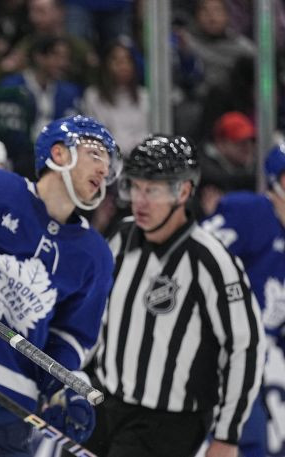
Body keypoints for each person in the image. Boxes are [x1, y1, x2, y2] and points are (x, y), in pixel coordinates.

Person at [88, 134, 265, 457]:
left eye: (152, 190)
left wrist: (227, 436)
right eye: (135, 188)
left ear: (183, 191)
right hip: (106, 405)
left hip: (168, 422)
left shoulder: (211, 259)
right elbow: (97, 313)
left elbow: (246, 346)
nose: (139, 201)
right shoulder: (122, 235)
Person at [0, 117, 118, 456]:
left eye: (109, 162)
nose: (105, 169)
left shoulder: (95, 255)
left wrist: (61, 386)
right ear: (59, 153)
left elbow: (71, 337)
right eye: (96, 154)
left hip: (10, 404)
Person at [201, 143, 285, 457]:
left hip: (263, 359)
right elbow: (193, 262)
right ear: (276, 182)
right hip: (221, 353)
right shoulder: (252, 213)